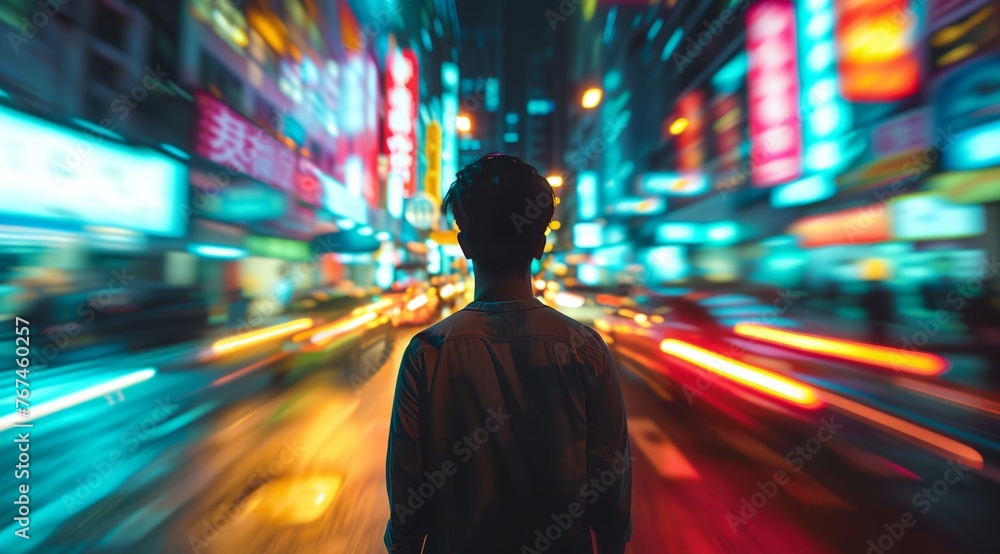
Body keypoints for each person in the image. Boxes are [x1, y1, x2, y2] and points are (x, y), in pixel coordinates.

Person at [384, 155, 631, 554]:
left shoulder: (427, 352)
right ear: (540, 244)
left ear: (464, 246)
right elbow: (610, 485)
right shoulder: (585, 349)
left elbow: (406, 498)